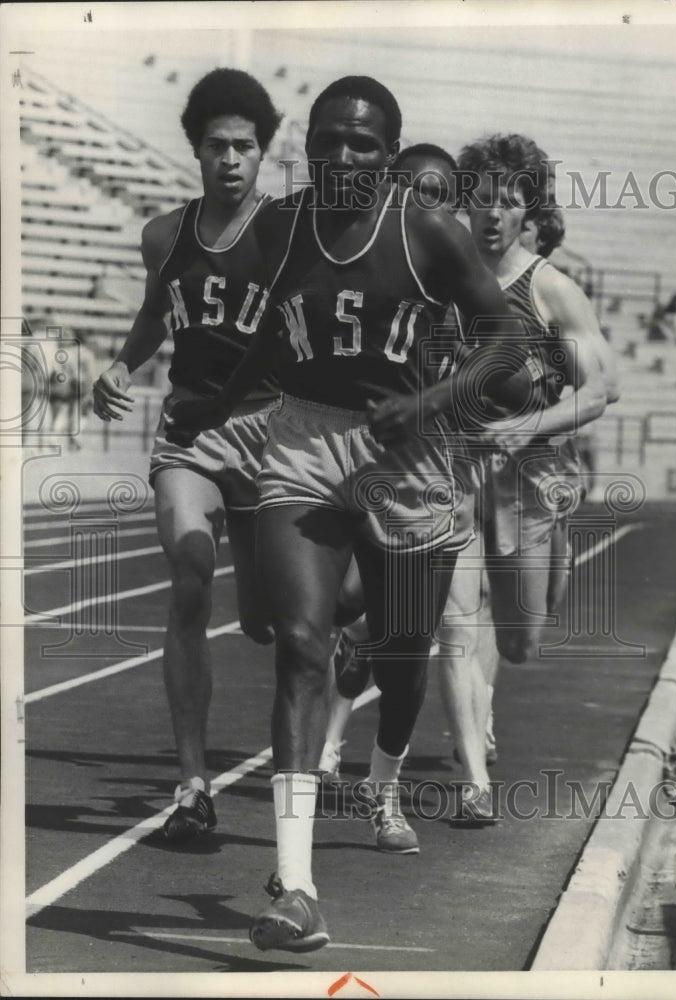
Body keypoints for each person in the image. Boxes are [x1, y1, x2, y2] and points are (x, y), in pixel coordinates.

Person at [167, 76, 524, 953]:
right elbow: (262, 327)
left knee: (400, 663)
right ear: (308, 145)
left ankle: (384, 776)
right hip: (300, 441)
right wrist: (220, 401)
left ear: (391, 151)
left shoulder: (426, 229)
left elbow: (511, 347)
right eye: (328, 138)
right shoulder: (284, 225)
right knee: (297, 643)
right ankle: (297, 887)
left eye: (365, 142)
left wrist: (434, 398)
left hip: (408, 453)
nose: (343, 156)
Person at [92, 69, 283, 844]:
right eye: (217, 146)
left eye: (245, 146)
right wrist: (119, 364)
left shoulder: (286, 232)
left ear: (263, 153)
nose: (231, 159)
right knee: (191, 576)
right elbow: (152, 316)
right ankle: (192, 784)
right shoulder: (165, 236)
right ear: (196, 151)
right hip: (190, 438)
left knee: (290, 620)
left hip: (274, 434)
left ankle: (316, 619)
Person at [453, 133, 620, 770]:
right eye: (481, 198)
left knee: (520, 637)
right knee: (460, 613)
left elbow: (603, 388)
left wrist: (531, 426)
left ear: (529, 210)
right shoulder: (444, 279)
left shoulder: (551, 289)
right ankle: (472, 731)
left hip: (531, 471)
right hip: (457, 467)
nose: (492, 213)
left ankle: (554, 553)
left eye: (507, 200)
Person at [315, 141, 460, 785]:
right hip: (347, 465)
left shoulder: (469, 289)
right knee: (323, 603)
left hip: (427, 485)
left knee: (407, 651)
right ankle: (321, 749)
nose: (419, 207)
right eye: (408, 192)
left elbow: (512, 372)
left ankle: (383, 786)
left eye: (436, 197)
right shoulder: (361, 272)